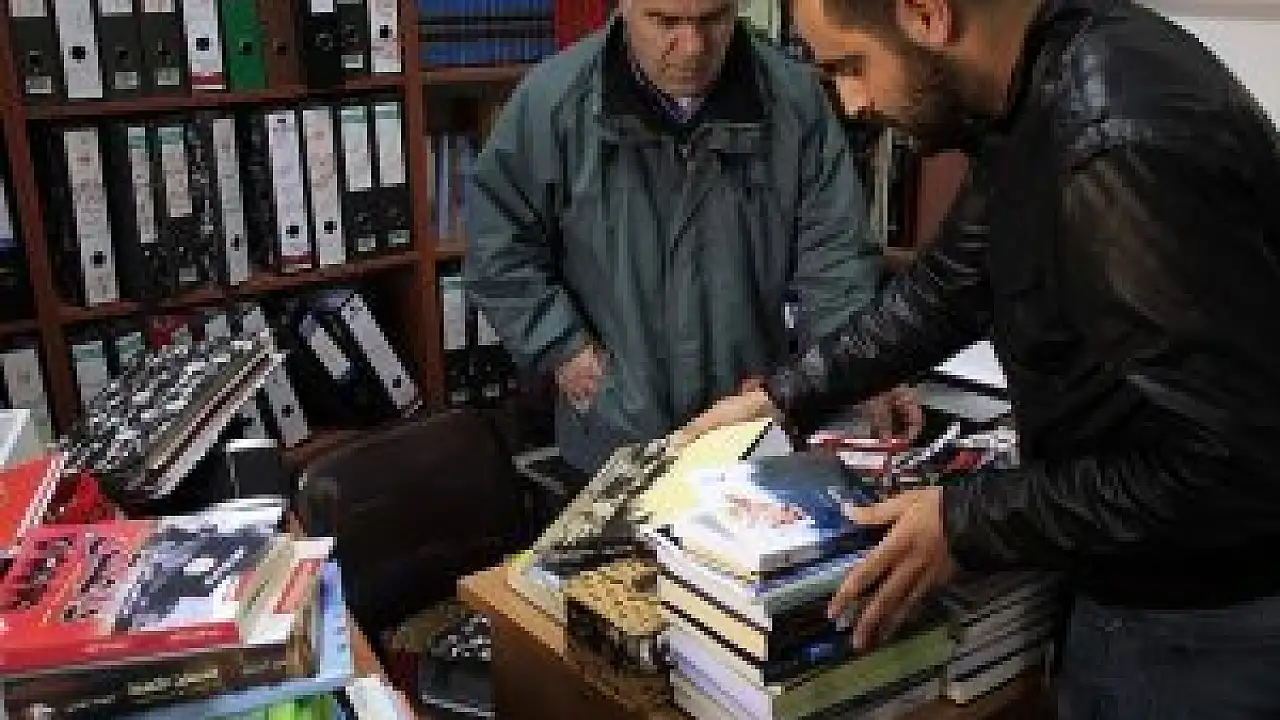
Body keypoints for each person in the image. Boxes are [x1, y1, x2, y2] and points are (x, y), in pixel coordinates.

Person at [674, 0, 1280, 716]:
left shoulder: (1112, 144)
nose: (853, 102)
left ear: (926, 15)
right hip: (1136, 577)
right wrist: (784, 394)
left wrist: (968, 520)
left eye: (851, 66)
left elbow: (1231, 464)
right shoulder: (1039, 77)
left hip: (1202, 626)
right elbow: (948, 285)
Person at [464, 0, 921, 476]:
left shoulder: (793, 100)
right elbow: (498, 243)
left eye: (713, 19)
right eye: (665, 22)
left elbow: (835, 257)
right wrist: (562, 347)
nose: (692, 47)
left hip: (752, 420)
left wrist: (857, 370)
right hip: (616, 430)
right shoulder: (553, 103)